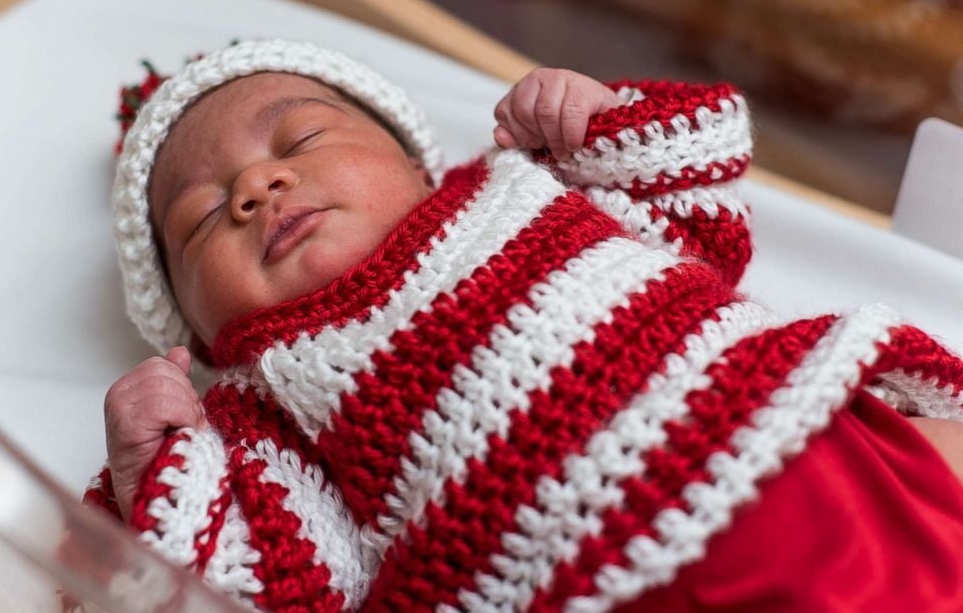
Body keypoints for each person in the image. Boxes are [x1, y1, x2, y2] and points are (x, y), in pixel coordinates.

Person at [86, 39, 963, 611]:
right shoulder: (264, 400)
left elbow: (702, 222)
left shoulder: (522, 187)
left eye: (301, 139)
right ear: (201, 335)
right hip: (569, 575)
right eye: (202, 219)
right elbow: (268, 582)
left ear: (415, 161)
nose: (255, 191)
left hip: (787, 420)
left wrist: (596, 125)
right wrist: (156, 467)